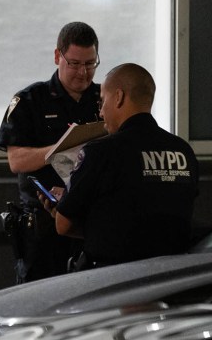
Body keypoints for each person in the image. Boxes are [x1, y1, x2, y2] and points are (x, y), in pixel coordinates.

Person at [44, 63, 198, 270]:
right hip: (171, 278)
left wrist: (63, 207)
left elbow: (64, 225)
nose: (100, 113)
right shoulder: (183, 151)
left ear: (119, 97)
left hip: (114, 279)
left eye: (102, 101)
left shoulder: (101, 151)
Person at [0, 21, 102, 283]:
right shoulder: (30, 100)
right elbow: (16, 160)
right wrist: (59, 150)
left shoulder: (105, 99)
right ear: (58, 56)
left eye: (90, 64)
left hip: (91, 225)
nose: (83, 73)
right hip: (43, 227)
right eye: (75, 63)